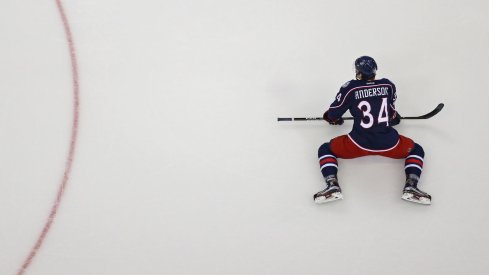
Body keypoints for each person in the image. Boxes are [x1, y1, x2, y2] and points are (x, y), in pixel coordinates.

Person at [314, 56, 431, 205]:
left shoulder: (351, 87)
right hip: (389, 143)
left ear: (358, 72)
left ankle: (332, 186)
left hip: (357, 144)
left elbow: (333, 113)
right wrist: (394, 118)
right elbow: (390, 113)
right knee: (416, 149)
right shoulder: (388, 85)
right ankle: (411, 186)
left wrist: (332, 119)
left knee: (325, 149)